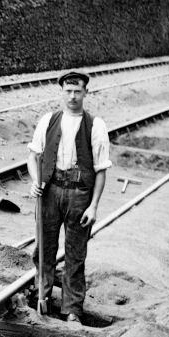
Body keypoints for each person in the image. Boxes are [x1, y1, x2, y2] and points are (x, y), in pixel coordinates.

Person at [26, 70, 111, 323]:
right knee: (44, 248)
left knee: (76, 253)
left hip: (79, 195)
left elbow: (101, 170)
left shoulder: (95, 125)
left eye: (77, 91)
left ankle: (72, 309)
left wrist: (93, 206)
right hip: (51, 191)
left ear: (85, 92)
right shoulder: (49, 120)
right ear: (62, 92)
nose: (72, 96)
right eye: (68, 91)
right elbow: (33, 156)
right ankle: (41, 298)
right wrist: (35, 182)